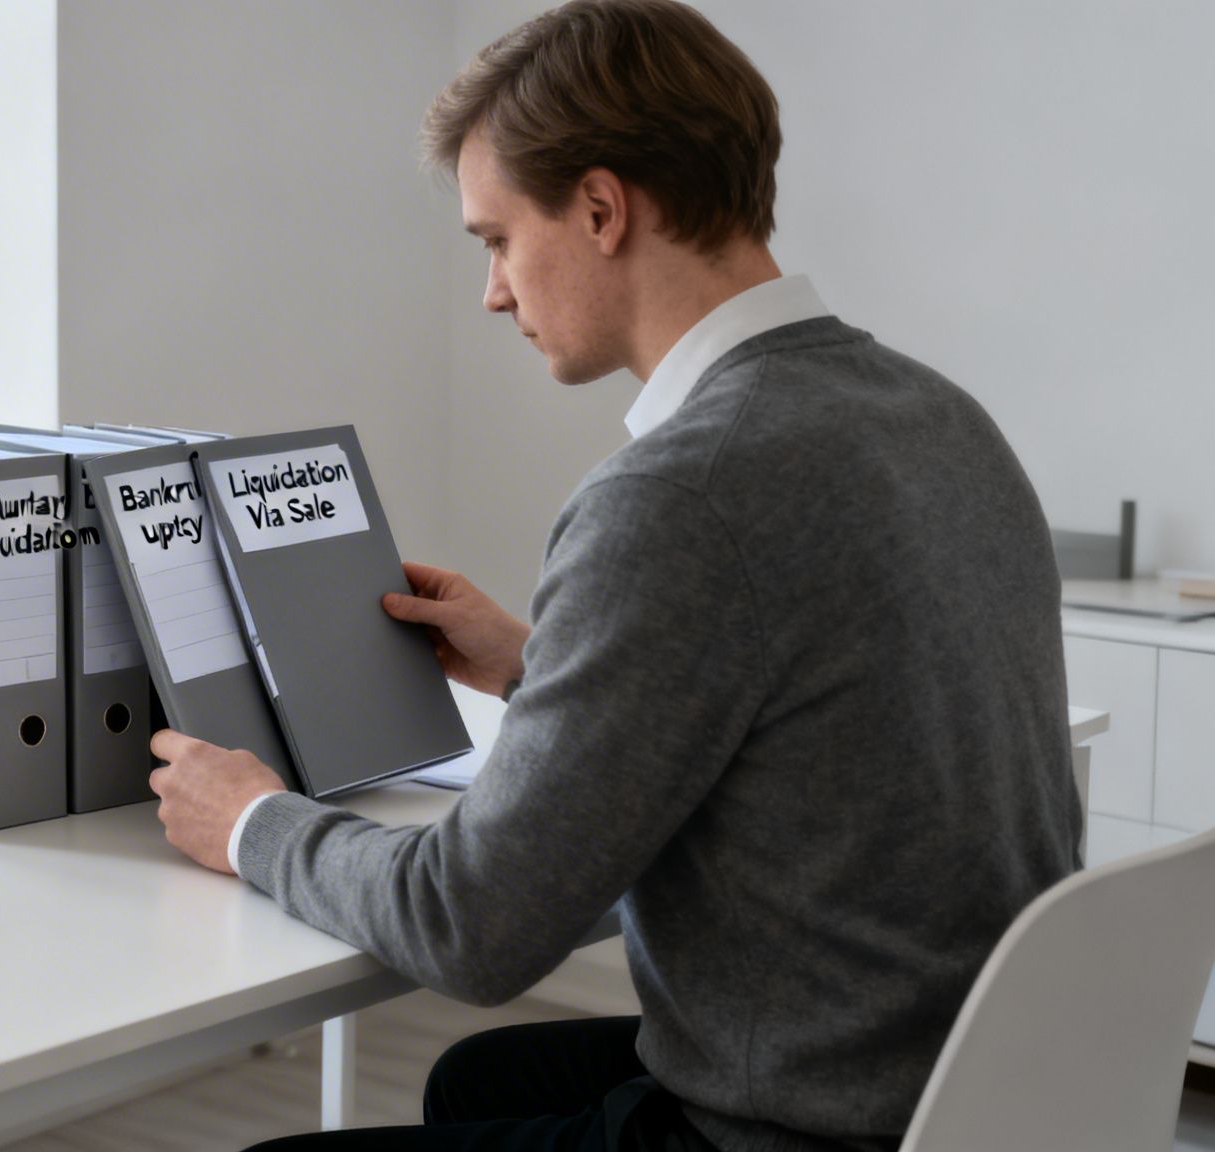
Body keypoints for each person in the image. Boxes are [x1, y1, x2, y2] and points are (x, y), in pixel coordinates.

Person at [145, 2, 1084, 1150]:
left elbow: (468, 929)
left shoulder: (678, 493)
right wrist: (535, 664)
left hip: (804, 1123)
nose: (491, 292)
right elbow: (810, 717)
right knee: (482, 1085)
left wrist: (250, 822)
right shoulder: (940, 419)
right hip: (971, 1085)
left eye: (495, 240)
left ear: (599, 208)